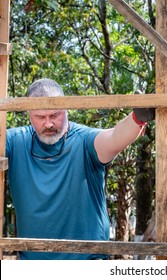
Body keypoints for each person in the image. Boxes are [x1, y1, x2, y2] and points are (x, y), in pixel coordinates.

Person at [6, 78, 155, 260]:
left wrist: (138, 118)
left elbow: (114, 138)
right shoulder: (15, 141)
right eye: (40, 117)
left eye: (54, 115)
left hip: (87, 262)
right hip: (34, 265)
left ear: (66, 109)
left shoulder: (84, 140)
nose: (48, 124)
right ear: (29, 114)